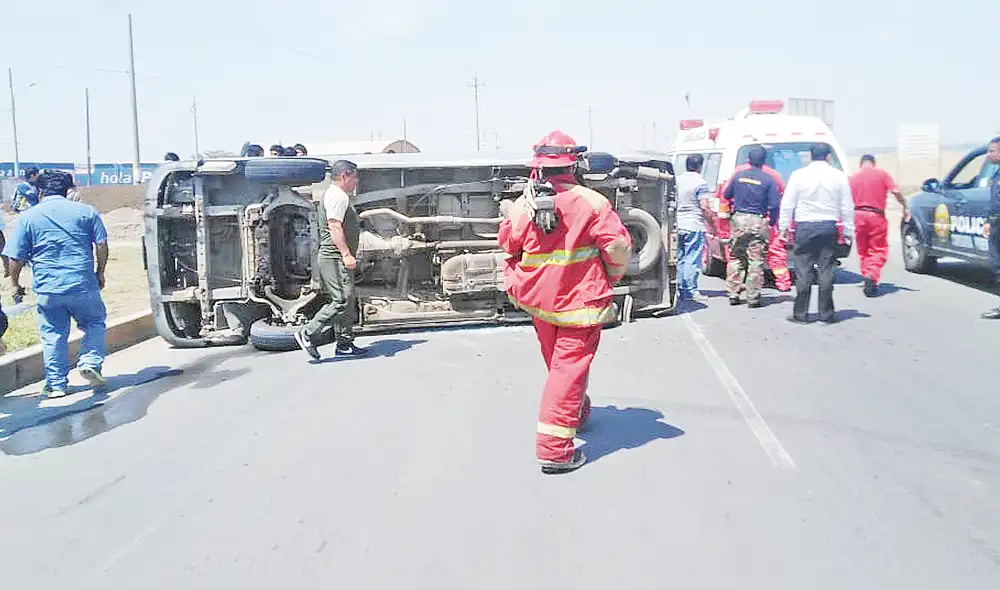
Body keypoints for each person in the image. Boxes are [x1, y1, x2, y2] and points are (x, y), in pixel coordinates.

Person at [498, 130, 632, 475]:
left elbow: (508, 245)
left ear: (540, 166)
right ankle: (555, 451)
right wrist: (610, 277)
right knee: (567, 370)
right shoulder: (593, 202)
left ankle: (576, 411)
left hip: (541, 303)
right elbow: (618, 248)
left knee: (559, 366)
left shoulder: (522, 205)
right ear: (573, 164)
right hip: (580, 303)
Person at [2, 170, 109, 397]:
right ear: (69, 190)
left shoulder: (29, 217)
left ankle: (57, 384)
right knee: (94, 323)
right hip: (82, 283)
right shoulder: (86, 212)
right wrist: (100, 272)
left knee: (53, 334)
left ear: (40, 191)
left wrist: (15, 284)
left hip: (48, 288)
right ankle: (89, 362)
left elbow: (15, 258)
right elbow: (101, 244)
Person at [294, 160, 367, 359]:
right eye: (354, 177)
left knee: (348, 299)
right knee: (341, 300)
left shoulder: (338, 195)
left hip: (338, 258)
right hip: (334, 257)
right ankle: (307, 332)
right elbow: (335, 226)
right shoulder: (337, 197)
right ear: (344, 176)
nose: (356, 181)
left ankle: (344, 344)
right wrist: (346, 254)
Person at [778, 144, 854, 324]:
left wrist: (783, 228)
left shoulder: (799, 175)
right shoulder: (838, 176)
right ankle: (826, 314)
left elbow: (788, 204)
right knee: (826, 269)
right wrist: (849, 231)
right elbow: (847, 206)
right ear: (828, 157)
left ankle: (800, 314)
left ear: (811, 157)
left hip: (805, 227)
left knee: (803, 270)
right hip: (828, 226)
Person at [720, 153, 792, 292]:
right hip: (760, 220)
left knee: (736, 255)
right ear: (764, 161)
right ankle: (780, 284)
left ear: (748, 159)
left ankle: (734, 290)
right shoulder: (772, 176)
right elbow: (779, 198)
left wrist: (724, 223)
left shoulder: (738, 173)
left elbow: (726, 195)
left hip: (738, 220)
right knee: (763, 255)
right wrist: (774, 222)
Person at [850, 154, 909, 297]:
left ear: (861, 164)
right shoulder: (882, 174)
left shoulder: (852, 178)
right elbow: (896, 191)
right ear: (874, 163)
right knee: (878, 249)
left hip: (858, 216)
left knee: (863, 250)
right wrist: (905, 205)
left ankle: (867, 276)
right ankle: (871, 275)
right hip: (876, 216)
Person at [675, 154, 712, 302]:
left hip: (678, 223)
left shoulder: (678, 180)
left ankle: (680, 287)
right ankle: (690, 290)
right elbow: (704, 206)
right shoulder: (700, 182)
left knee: (680, 258)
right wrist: (711, 221)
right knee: (692, 258)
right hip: (693, 225)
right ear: (700, 167)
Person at [982, 137, 1000, 320]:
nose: (989, 154)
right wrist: (989, 220)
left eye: (992, 151)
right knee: (996, 264)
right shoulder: (996, 173)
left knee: (997, 264)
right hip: (996, 223)